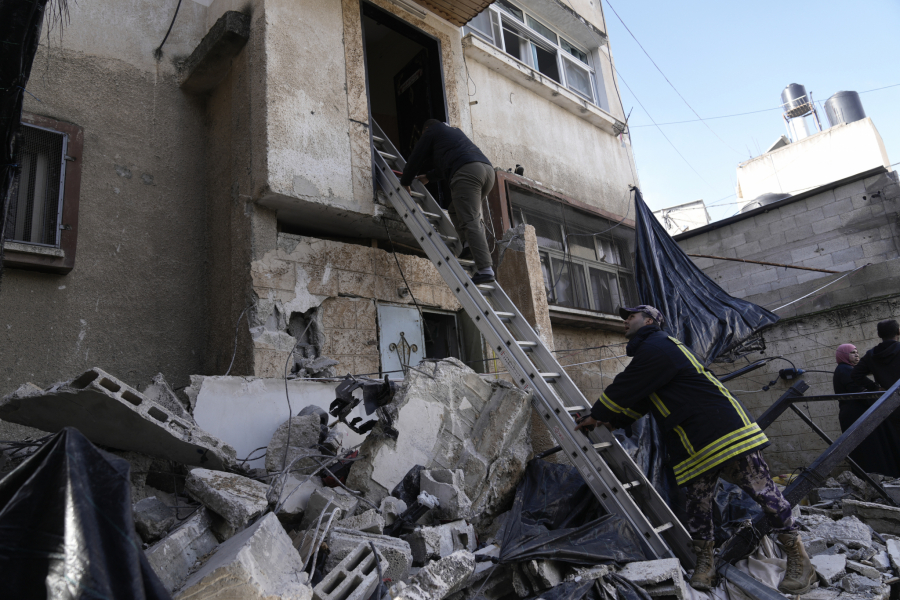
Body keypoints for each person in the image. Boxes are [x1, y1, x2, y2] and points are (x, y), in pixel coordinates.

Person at [575, 305, 815, 594]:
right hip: (692, 439)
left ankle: (799, 559)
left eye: (631, 316)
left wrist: (597, 413)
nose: (625, 321)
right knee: (698, 506)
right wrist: (612, 421)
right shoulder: (652, 352)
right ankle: (705, 562)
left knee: (763, 492)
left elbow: (626, 385)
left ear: (649, 321)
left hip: (723, 430)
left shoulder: (658, 345)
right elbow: (642, 400)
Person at [399, 119, 496, 284]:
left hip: (468, 172)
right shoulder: (453, 133)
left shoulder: (432, 130)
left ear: (426, 129)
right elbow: (449, 163)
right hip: (487, 172)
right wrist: (429, 177)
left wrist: (405, 181)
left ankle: (486, 270)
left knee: (469, 219)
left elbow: (417, 156)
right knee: (454, 209)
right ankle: (468, 246)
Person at [833, 343, 900, 477]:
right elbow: (859, 392)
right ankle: (878, 477)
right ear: (843, 355)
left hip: (858, 412)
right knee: (872, 448)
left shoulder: (846, 369)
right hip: (857, 413)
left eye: (857, 352)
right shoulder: (845, 369)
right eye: (852, 352)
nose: (857, 354)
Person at [852, 319, 900, 391]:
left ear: (878, 334)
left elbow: (855, 374)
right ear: (899, 331)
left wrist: (875, 388)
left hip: (887, 396)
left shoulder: (870, 354)